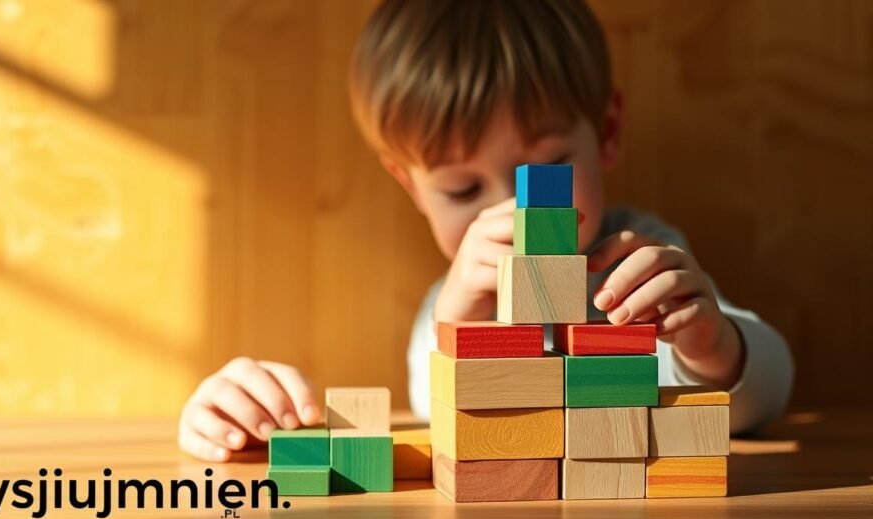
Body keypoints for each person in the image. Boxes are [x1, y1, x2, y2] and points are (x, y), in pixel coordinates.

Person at [178, 0, 793, 462]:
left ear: (606, 133)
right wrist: (464, 319)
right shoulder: (459, 294)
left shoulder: (642, 254)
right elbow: (439, 412)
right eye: (463, 190)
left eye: (549, 170)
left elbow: (759, 401)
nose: (513, 213)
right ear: (413, 189)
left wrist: (711, 342)